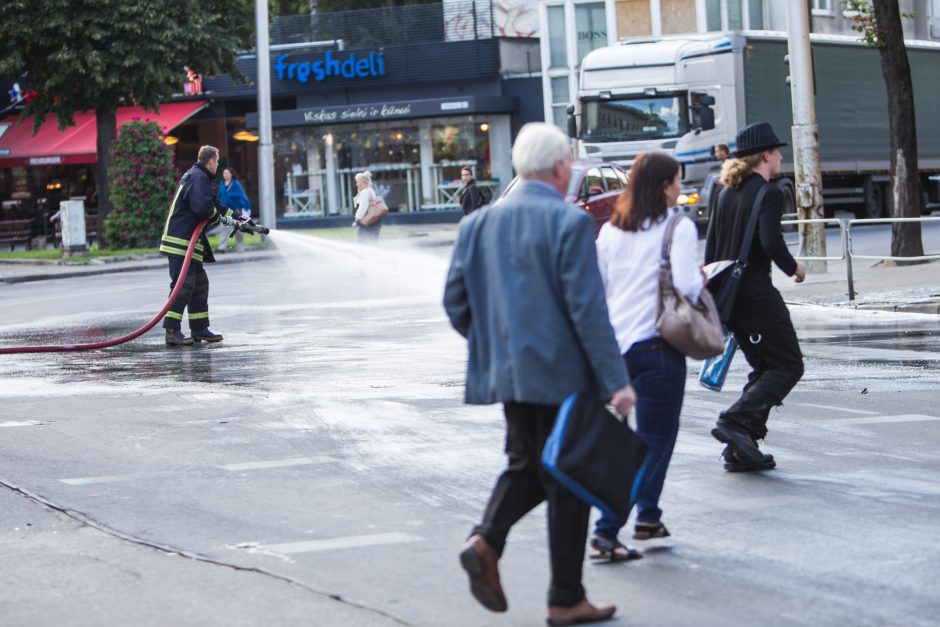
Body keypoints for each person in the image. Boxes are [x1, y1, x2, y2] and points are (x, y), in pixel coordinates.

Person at [444, 123, 636, 626]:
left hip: (510, 376)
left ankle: (488, 541)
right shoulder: (569, 223)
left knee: (529, 464)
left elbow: (456, 304)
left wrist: (500, 349)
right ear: (557, 167)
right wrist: (616, 380)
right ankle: (564, 597)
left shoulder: (476, 224)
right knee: (568, 476)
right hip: (564, 377)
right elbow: (587, 311)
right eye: (570, 161)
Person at [591, 152, 704, 556]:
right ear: (662, 186)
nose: (680, 188)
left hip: (618, 350)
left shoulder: (610, 231)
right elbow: (689, 287)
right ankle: (607, 528)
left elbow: (600, 292)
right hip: (658, 346)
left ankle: (649, 517)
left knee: (637, 441)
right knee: (654, 442)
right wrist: (704, 278)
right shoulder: (678, 226)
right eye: (676, 181)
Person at [704, 122, 806, 471]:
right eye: (777, 151)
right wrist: (795, 268)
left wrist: (716, 301)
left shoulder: (723, 192)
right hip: (756, 295)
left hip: (729, 297)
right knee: (788, 364)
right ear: (765, 155)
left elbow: (712, 251)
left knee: (765, 366)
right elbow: (771, 241)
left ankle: (740, 446)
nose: (780, 157)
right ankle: (735, 423)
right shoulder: (770, 192)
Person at [159, 145, 232, 346]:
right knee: (183, 286)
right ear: (210, 161)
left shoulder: (200, 177)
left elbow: (215, 205)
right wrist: (218, 217)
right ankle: (172, 330)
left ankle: (200, 328)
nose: (217, 165)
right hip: (180, 243)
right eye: (217, 161)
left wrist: (238, 219)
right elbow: (203, 208)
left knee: (199, 284)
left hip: (189, 243)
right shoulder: (198, 177)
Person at [216, 167, 251, 253]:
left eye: (227, 173)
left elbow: (241, 196)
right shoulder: (221, 184)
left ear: (231, 174)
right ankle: (222, 247)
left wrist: (244, 208)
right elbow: (220, 196)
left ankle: (240, 246)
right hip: (224, 210)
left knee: (237, 229)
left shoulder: (236, 184)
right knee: (223, 228)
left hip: (235, 210)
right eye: (224, 173)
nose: (225, 175)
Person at [352, 170, 382, 241]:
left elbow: (362, 208)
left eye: (358, 182)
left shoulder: (365, 192)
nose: (356, 184)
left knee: (362, 242)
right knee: (372, 243)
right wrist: (359, 193)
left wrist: (356, 221)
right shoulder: (371, 191)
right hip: (375, 221)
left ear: (364, 182)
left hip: (367, 222)